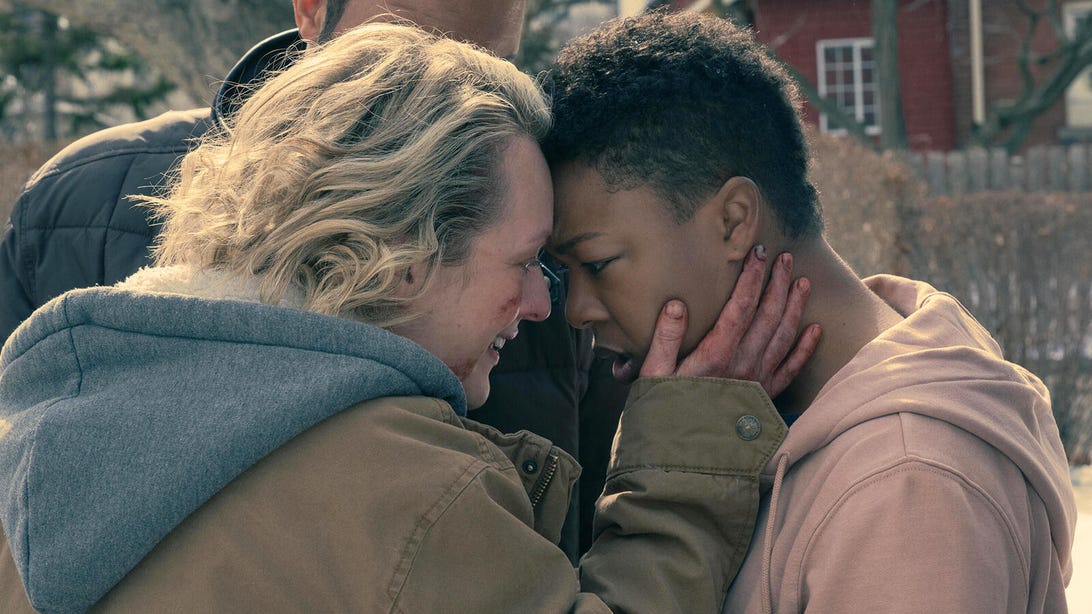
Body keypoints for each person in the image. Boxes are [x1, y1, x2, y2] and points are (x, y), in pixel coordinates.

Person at [0, 23, 816, 611]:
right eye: (527, 261)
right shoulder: (410, 490)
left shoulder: (42, 440)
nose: (542, 307)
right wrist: (687, 463)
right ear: (400, 256)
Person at [0, 0, 622, 559]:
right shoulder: (78, 210)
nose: (446, 91)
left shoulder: (554, 243)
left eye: (489, 63)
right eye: (405, 40)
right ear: (310, 10)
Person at [543, 11, 1077, 613]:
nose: (577, 310)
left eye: (598, 263)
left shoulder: (906, 483)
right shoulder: (761, 416)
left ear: (735, 220)